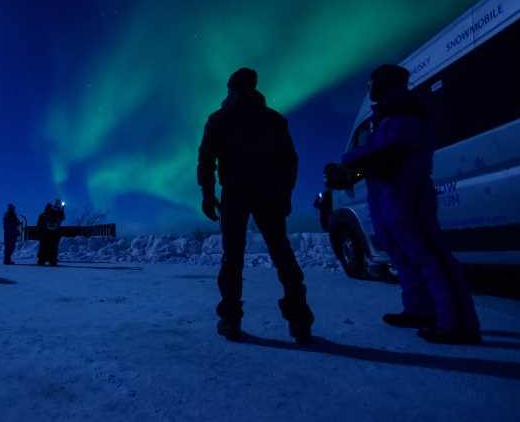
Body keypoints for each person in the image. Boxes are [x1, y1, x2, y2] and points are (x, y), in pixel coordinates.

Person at [332, 64, 480, 344]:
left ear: (384, 83)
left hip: (406, 195)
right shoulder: (387, 116)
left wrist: (349, 163)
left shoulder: (406, 112)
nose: (369, 88)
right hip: (389, 197)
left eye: (372, 82)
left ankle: (458, 323)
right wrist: (352, 175)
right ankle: (420, 310)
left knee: (429, 256)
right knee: (404, 256)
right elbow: (377, 163)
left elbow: (386, 155)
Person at [197, 67, 314, 344]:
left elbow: (206, 159)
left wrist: (207, 191)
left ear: (232, 87)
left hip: (235, 192)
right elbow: (289, 160)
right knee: (281, 251)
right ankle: (299, 321)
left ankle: (230, 319)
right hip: (269, 192)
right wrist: (285, 193)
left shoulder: (219, 119)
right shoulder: (274, 119)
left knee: (232, 256)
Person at [37, 199, 65, 266]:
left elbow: (61, 218)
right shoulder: (52, 213)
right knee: (51, 246)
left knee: (47, 246)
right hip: (50, 233)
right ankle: (50, 259)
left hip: (48, 233)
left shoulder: (46, 214)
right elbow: (60, 219)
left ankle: (45, 259)